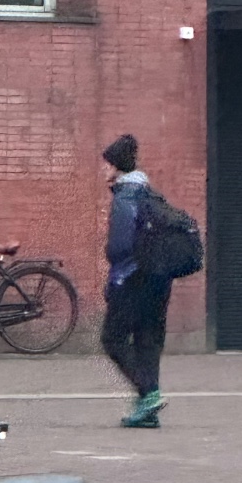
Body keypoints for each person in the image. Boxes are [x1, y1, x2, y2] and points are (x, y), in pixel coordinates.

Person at [100, 134, 171, 428]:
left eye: (106, 165)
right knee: (148, 340)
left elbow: (119, 248)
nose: (103, 171)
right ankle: (147, 412)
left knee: (113, 339)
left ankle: (148, 393)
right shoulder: (150, 193)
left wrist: (114, 280)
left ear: (117, 166)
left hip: (131, 280)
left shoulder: (125, 198)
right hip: (159, 279)